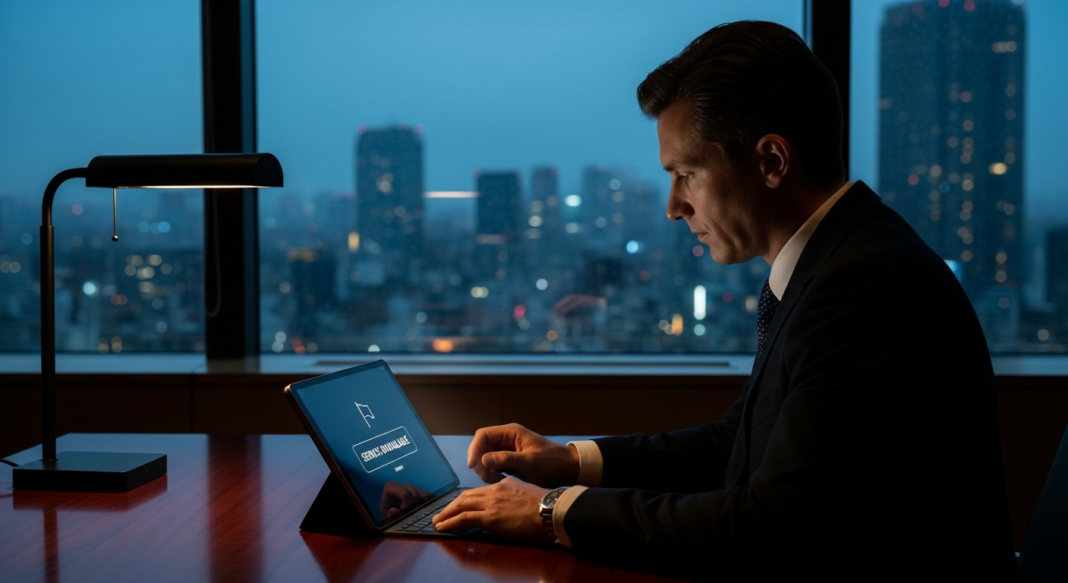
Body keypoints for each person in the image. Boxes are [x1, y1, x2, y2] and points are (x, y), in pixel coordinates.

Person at [433, 21, 1015, 579]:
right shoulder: (836, 260)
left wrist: (548, 512)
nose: (673, 206)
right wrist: (570, 462)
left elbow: (769, 527)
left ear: (771, 162)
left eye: (687, 173)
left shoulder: (863, 288)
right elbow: (740, 441)